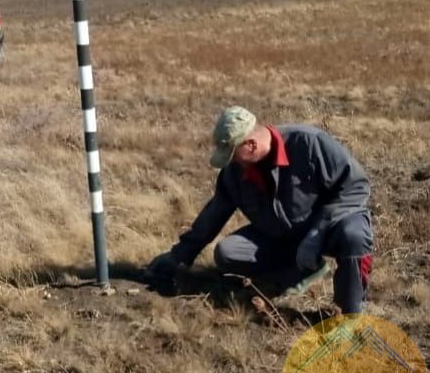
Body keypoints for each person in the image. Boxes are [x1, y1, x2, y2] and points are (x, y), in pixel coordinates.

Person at [145, 106, 373, 314]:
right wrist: (178, 255)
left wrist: (317, 233)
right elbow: (214, 213)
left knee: (353, 235)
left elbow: (356, 186)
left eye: (233, 155)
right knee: (228, 252)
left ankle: (351, 312)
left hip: (329, 227)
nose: (232, 162)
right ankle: (298, 274)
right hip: (281, 237)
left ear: (251, 145)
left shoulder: (310, 144)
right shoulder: (235, 172)